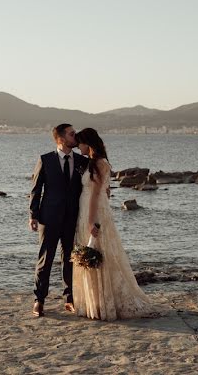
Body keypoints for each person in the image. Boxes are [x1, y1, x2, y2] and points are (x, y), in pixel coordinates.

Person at [72, 128, 160, 320]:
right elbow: (104, 191)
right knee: (91, 253)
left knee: (99, 253)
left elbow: (96, 193)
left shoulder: (100, 163)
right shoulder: (93, 163)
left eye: (80, 143)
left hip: (92, 212)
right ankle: (93, 302)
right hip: (87, 209)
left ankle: (103, 302)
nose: (78, 147)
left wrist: (90, 222)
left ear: (88, 143)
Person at [29, 123, 89, 317]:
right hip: (49, 218)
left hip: (73, 218)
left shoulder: (81, 161)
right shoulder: (45, 160)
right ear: (61, 138)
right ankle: (39, 300)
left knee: (70, 259)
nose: (76, 137)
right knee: (45, 260)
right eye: (72, 134)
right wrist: (33, 215)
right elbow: (36, 189)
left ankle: (70, 298)